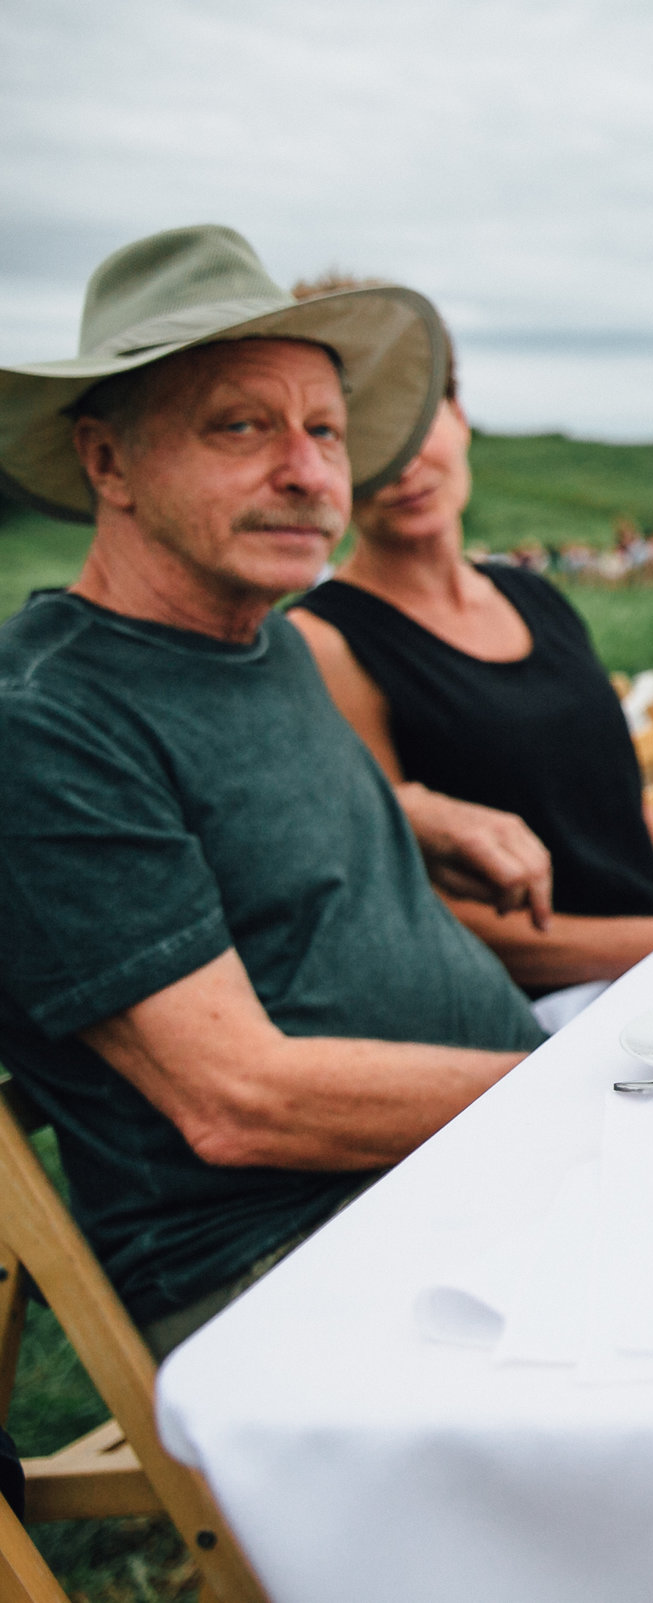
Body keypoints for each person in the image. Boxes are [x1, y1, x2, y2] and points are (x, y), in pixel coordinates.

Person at [0, 226, 546, 1354]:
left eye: (327, 430)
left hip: (449, 1169)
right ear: (108, 462)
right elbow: (237, 1098)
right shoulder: (46, 721)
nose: (308, 472)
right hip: (287, 1259)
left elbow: (234, 815)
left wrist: (417, 811)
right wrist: (574, 1087)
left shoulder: (265, 639)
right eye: (241, 425)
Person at [283, 273, 653, 1016]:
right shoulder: (324, 641)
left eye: (418, 418)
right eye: (361, 435)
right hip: (547, 1015)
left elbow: (626, 802)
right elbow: (419, 913)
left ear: (459, 415)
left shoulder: (534, 596)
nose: (405, 463)